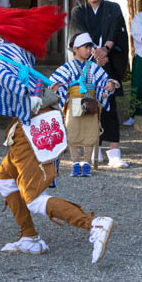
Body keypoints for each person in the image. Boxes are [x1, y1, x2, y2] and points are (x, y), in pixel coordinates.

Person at [0, 6, 115, 263]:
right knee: (5, 179)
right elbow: (28, 62)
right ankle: (29, 237)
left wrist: (26, 96)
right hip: (41, 117)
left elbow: (8, 80)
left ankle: (94, 224)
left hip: (29, 124)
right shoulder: (6, 46)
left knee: (33, 198)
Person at [69, 0, 130, 168]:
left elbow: (116, 32)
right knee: (87, 104)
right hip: (86, 64)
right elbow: (78, 35)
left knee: (109, 106)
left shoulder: (113, 8)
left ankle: (114, 152)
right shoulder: (78, 11)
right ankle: (94, 148)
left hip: (108, 61)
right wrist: (95, 52)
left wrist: (105, 50)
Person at [50, 32, 119, 177]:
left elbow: (105, 80)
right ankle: (75, 163)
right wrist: (56, 87)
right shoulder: (67, 67)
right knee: (73, 132)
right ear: (75, 48)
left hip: (91, 103)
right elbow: (53, 81)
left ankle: (87, 163)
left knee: (91, 132)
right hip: (74, 102)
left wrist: (110, 85)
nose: (89, 50)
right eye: (85, 47)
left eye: (90, 47)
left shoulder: (94, 68)